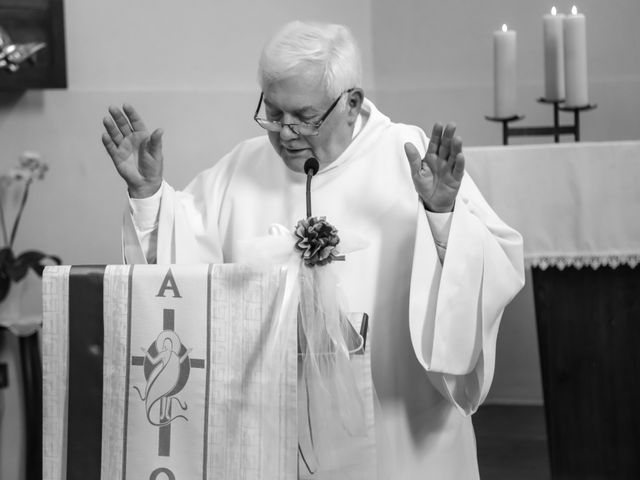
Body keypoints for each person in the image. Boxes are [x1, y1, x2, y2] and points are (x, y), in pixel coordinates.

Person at [102, 20, 524, 479]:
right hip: (275, 432)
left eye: (303, 116)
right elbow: (181, 280)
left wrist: (442, 214)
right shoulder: (242, 167)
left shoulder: (412, 158)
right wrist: (148, 195)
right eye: (274, 112)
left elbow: (493, 265)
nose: (285, 132)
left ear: (352, 103)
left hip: (400, 436)